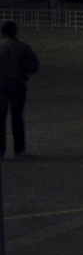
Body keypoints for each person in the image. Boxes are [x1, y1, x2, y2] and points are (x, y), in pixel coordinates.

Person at [0, 20, 39, 157]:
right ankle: (19, 148)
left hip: (1, 85)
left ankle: (1, 149)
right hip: (17, 84)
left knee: (1, 118)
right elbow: (34, 66)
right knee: (17, 116)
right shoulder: (22, 47)